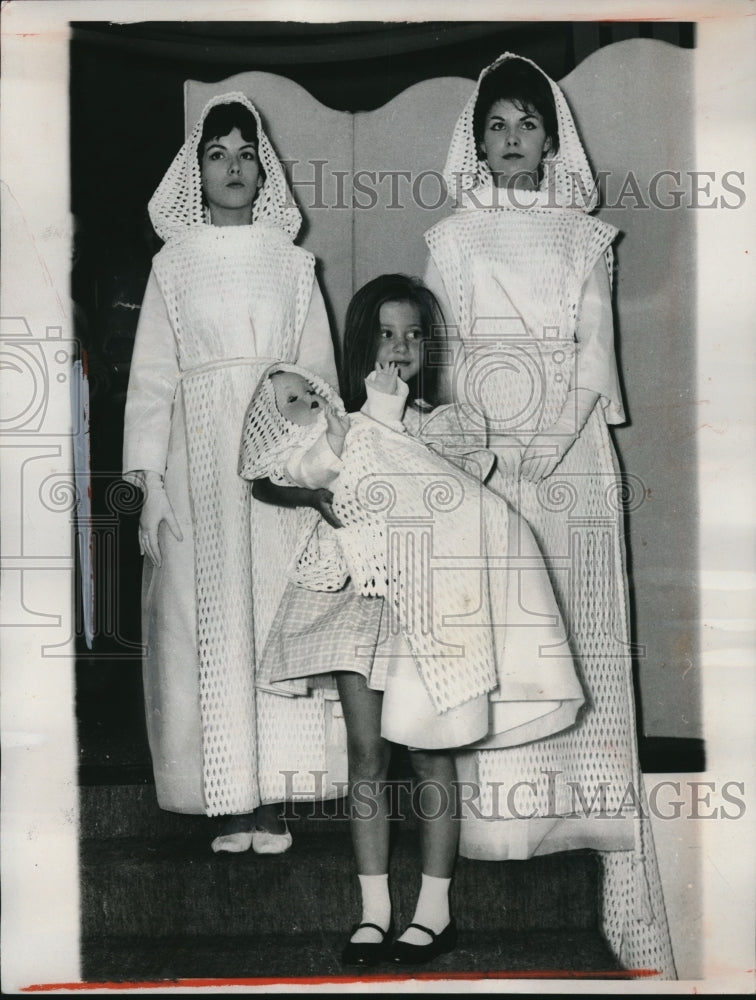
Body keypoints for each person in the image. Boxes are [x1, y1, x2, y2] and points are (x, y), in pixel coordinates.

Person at [422, 53, 676, 977]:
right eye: (497, 125)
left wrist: (544, 444)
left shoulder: (584, 236)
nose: (513, 139)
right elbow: (441, 360)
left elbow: (594, 358)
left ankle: (597, 825)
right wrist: (481, 450)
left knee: (583, 632)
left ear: (551, 136)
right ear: (477, 142)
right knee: (503, 636)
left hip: (570, 462)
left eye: (529, 123)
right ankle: (502, 825)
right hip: (483, 457)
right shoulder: (450, 240)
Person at [249, 274, 585, 967]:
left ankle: (435, 912)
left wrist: (390, 420)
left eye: (414, 335)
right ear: (361, 344)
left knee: (433, 749)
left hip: (428, 605)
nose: (400, 348)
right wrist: (316, 495)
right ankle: (373, 912)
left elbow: (449, 494)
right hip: (356, 596)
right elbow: (264, 473)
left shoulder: (448, 422)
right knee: (366, 754)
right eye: (386, 334)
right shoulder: (335, 419)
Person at [122, 92, 341, 855]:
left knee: (272, 611)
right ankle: (223, 796)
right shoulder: (173, 266)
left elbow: (316, 374)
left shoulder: (291, 264)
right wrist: (148, 484)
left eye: (245, 153)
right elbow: (152, 379)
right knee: (202, 617)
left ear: (263, 164)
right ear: (197, 170)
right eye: (217, 155)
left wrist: (314, 468)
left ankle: (275, 800)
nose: (234, 167)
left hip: (272, 459)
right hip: (197, 461)